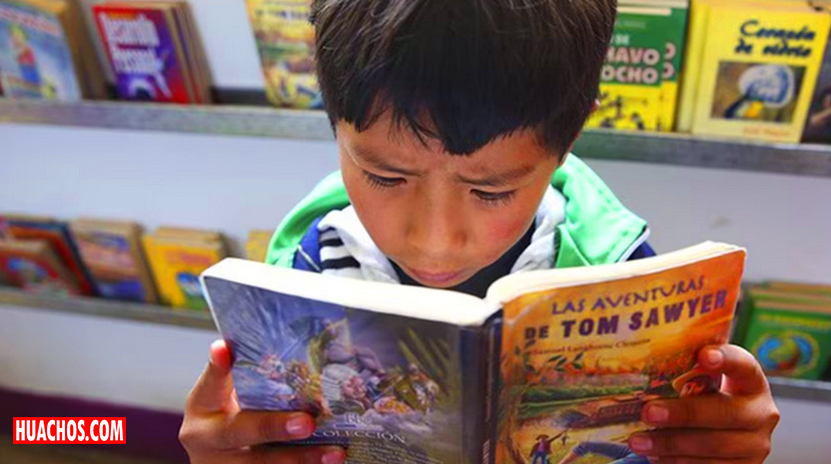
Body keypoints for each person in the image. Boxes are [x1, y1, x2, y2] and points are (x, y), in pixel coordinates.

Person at [178, 1, 780, 463]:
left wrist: (705, 447)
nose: (434, 241)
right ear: (333, 123)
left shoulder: (625, 277)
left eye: (491, 191)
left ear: (568, 141)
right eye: (385, 177)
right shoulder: (302, 279)